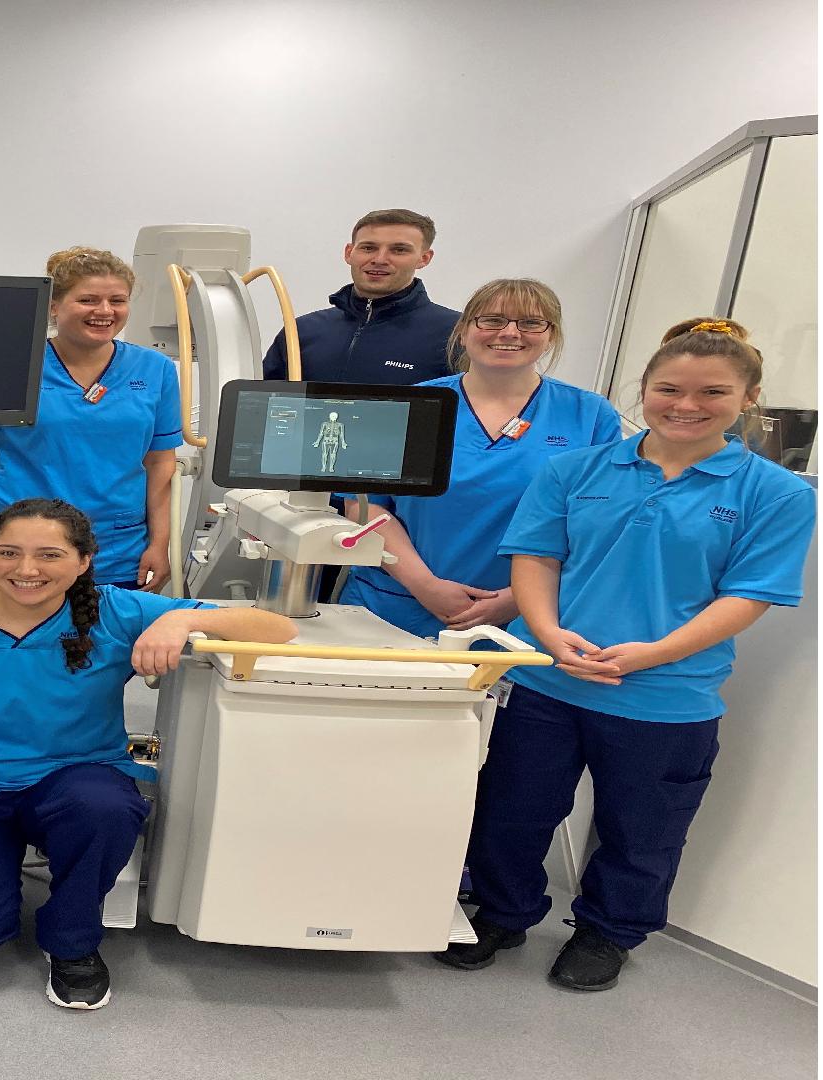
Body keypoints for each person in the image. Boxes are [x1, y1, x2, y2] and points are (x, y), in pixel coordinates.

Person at [436, 319, 814, 991]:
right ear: (644, 390)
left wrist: (651, 654)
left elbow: (748, 595)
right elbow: (536, 559)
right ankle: (502, 913)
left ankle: (608, 934)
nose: (686, 405)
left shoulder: (776, 494)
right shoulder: (575, 469)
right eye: (668, 388)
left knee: (642, 830)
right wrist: (549, 636)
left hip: (668, 697)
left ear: (748, 397)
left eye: (712, 393)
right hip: (551, 683)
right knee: (510, 810)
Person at [0, 499, 295, 1009]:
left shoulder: (116, 610)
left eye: (49, 555)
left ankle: (72, 940)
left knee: (107, 808)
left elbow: (279, 630)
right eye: (8, 552)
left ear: (83, 561)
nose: (26, 570)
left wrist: (179, 622)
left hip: (74, 779)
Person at [339, 279, 622, 639]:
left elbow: (598, 525)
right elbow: (365, 508)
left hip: (520, 618)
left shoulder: (589, 415)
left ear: (551, 335)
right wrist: (425, 586)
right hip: (395, 605)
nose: (509, 333)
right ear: (463, 330)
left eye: (531, 323)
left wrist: (519, 598)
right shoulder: (407, 405)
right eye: (491, 320)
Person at [0, 246, 185, 591]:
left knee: (100, 643)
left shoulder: (155, 370)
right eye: (88, 300)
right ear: (53, 306)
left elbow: (160, 464)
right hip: (18, 545)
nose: (104, 311)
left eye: (118, 300)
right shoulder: (10, 365)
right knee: (9, 640)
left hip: (114, 549)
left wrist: (160, 544)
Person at [263, 208, 460, 385]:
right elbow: (259, 406)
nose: (380, 259)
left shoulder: (456, 334)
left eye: (399, 250)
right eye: (368, 248)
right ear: (349, 252)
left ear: (424, 258)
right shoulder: (302, 331)